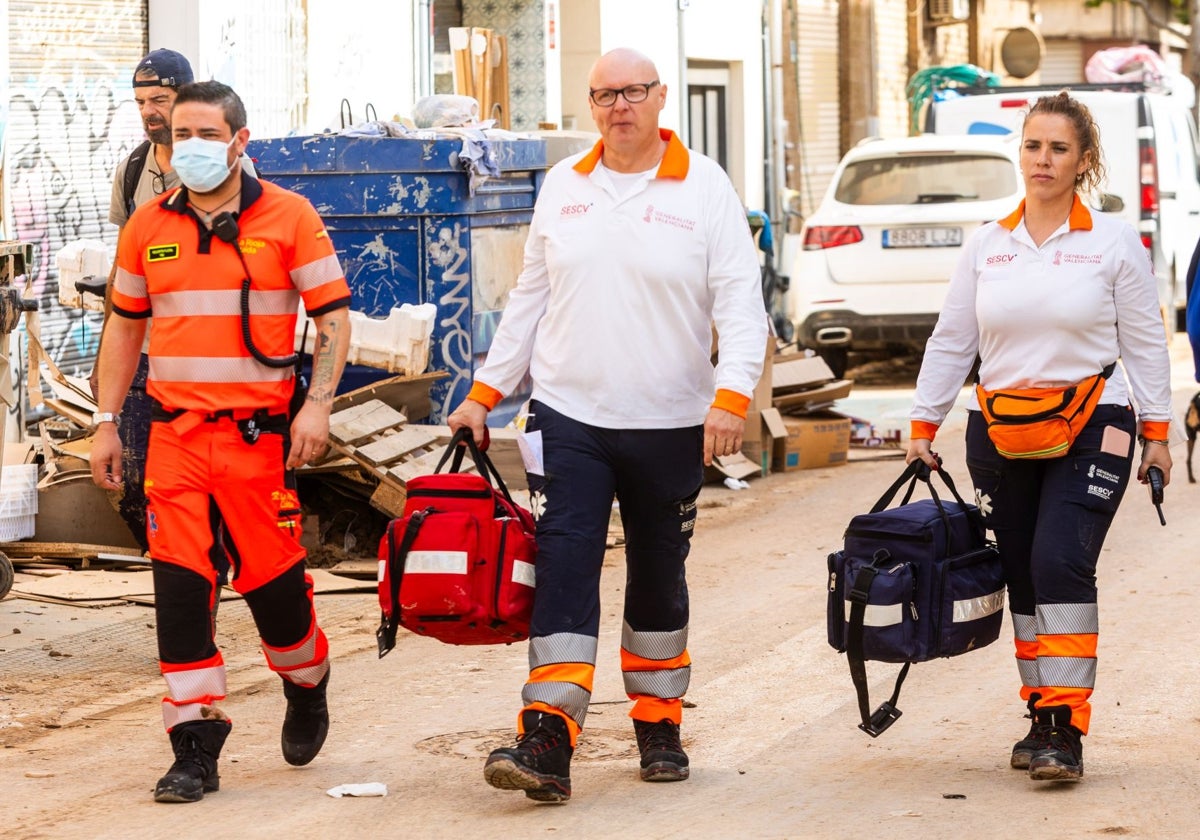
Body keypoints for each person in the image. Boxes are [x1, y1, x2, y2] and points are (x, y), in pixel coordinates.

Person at [446, 47, 768, 803]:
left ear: (660, 98)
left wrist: (732, 397)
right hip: (571, 415)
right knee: (564, 562)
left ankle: (658, 720)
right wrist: (484, 393)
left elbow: (739, 304)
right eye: (602, 95)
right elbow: (528, 300)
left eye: (631, 92)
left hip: (670, 420)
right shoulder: (565, 184)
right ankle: (548, 735)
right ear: (590, 106)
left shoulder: (706, 187)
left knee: (659, 570)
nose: (618, 106)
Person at [89, 80, 352, 803]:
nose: (190, 149)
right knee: (179, 593)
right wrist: (106, 419)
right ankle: (194, 742)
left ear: (240, 141)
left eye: (207, 135)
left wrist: (317, 407)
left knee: (276, 596)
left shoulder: (290, 217)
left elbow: (332, 318)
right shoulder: (146, 225)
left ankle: (307, 681)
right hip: (174, 440)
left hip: (255, 443)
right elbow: (123, 329)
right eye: (178, 137)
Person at [906, 90, 1173, 782]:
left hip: (1096, 423)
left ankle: (1066, 724)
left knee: (1060, 561)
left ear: (1083, 160)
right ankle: (1039, 710)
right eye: (1032, 145)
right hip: (1001, 430)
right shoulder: (988, 244)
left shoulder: (1113, 242)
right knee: (1021, 570)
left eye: (1058, 148)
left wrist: (1158, 431)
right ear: (1019, 153)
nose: (1043, 159)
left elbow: (1145, 342)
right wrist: (923, 422)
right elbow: (952, 339)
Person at [93, 49, 256, 558]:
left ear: (185, 99)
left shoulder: (226, 165)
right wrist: (106, 362)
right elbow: (124, 273)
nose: (149, 112)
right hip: (145, 354)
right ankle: (177, 564)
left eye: (159, 99)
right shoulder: (132, 170)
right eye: (141, 101)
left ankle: (212, 566)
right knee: (139, 477)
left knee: (220, 487)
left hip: (214, 365)